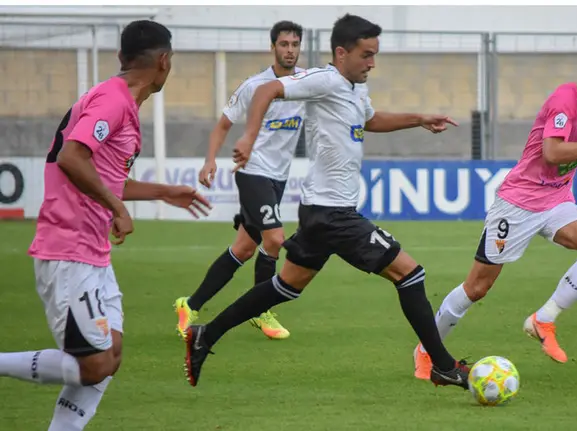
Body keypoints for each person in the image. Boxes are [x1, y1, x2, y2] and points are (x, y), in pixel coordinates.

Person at [182, 13, 471, 391]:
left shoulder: (355, 88)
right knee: (410, 274)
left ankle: (206, 334)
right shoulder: (325, 79)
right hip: (333, 214)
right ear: (341, 52)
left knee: (285, 286)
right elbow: (266, 91)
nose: (372, 63)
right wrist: (250, 137)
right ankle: (443, 366)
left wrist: (418, 118)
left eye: (374, 54)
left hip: (324, 212)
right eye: (366, 54)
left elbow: (370, 119)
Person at [0, 20, 211, 430]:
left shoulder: (119, 103)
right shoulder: (112, 101)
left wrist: (164, 192)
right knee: (94, 363)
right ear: (164, 62)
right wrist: (116, 206)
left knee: (109, 356)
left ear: (121, 57)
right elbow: (72, 157)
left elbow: (105, 176)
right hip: (68, 250)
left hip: (92, 254)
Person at [413, 47, 577, 379]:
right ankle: (426, 351)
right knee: (477, 288)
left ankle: (543, 319)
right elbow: (552, 153)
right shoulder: (564, 99)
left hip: (557, 199)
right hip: (518, 203)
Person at [174, 20, 306, 342]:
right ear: (272, 46)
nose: (289, 50)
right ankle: (261, 311)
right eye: (284, 44)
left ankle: (189, 305)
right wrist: (210, 161)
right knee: (274, 240)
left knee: (245, 249)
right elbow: (222, 125)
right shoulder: (254, 86)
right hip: (252, 172)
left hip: (279, 177)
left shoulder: (306, 83)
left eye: (294, 44)